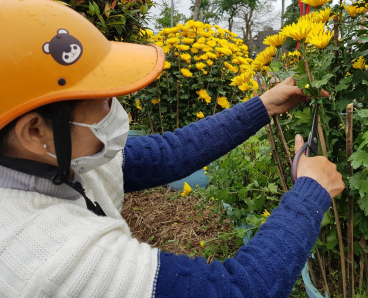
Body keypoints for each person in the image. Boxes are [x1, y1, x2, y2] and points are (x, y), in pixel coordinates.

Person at [0, 1, 344, 297]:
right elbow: (239, 290)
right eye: (104, 100)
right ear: (34, 131)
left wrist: (264, 105)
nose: (120, 112)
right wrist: (309, 195)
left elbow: (170, 154)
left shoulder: (52, 160)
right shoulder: (44, 259)